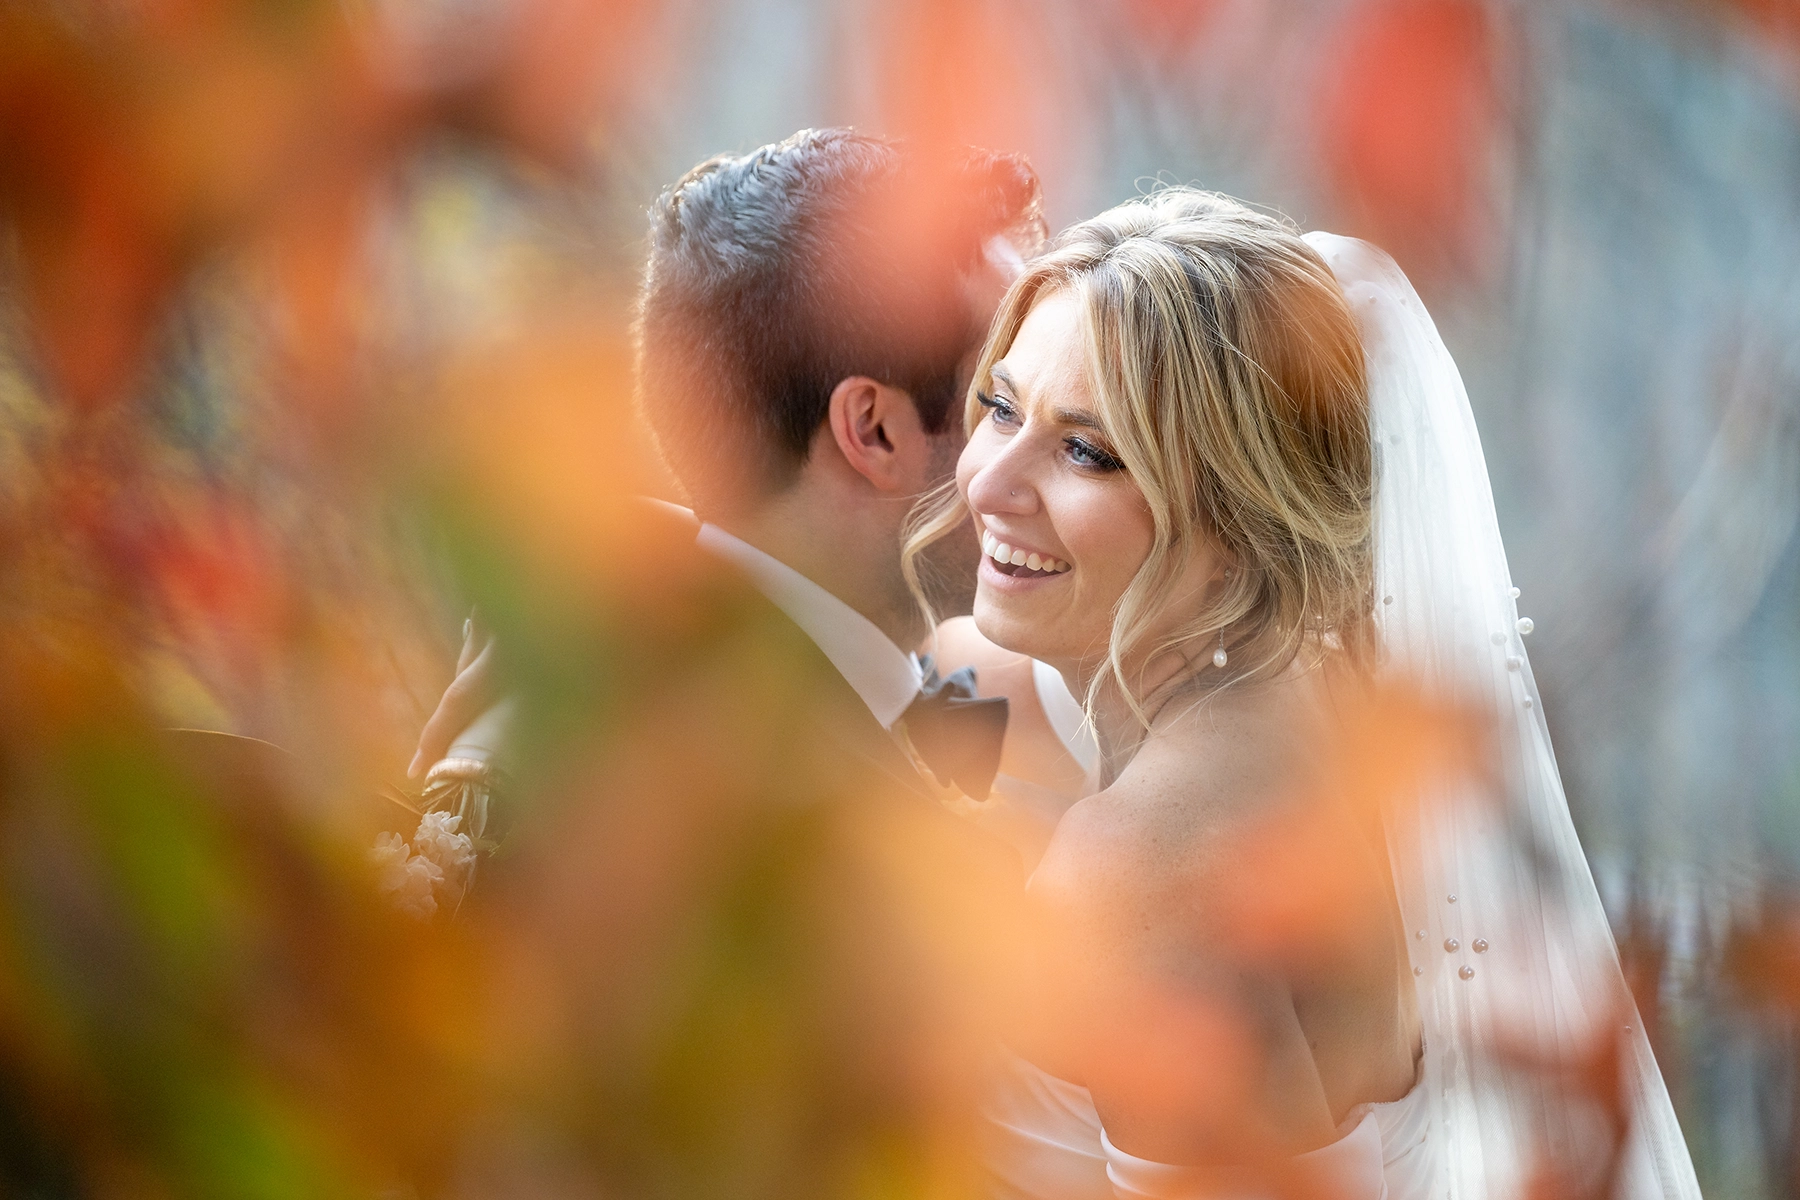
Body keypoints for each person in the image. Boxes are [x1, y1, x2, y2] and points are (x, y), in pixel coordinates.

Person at [902, 188, 1701, 1199]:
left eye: (1087, 451)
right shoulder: (1332, 697)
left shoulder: (1136, 865)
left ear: (1239, 525)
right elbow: (960, 673)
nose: (987, 483)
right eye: (1002, 407)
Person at [400, 128, 1059, 1194]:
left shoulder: (622, 673)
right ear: (875, 432)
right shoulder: (717, 810)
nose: (1058, 453)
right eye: (1004, 403)